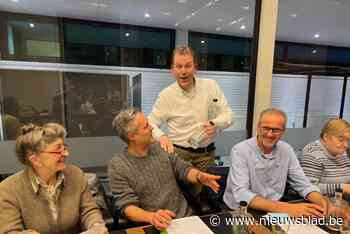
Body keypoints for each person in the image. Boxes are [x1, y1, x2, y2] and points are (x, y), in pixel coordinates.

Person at [108, 108, 221, 230]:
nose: (152, 128)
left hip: (185, 219)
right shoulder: (118, 165)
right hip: (154, 225)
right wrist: (151, 217)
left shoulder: (160, 148)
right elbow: (127, 206)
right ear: (132, 136)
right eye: (146, 126)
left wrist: (199, 176)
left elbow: (183, 169)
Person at [0, 123, 108, 234]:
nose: (66, 153)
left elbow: (88, 210)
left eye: (64, 147)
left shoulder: (75, 174)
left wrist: (96, 225)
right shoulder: (8, 189)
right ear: (35, 160)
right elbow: (9, 230)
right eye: (58, 150)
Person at [223, 108, 328, 218]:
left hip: (274, 208)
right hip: (243, 210)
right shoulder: (240, 150)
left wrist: (322, 202)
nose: (269, 134)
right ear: (258, 127)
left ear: (283, 132)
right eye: (265, 128)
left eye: (276, 130)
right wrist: (287, 208)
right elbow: (241, 194)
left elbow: (303, 184)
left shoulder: (286, 150)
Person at [148, 44, 233, 170]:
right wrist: (161, 136)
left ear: (195, 68)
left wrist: (215, 124)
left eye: (188, 66)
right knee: (179, 189)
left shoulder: (211, 86)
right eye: (179, 66)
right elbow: (150, 123)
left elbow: (228, 115)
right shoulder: (166, 95)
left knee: (207, 189)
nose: (183, 71)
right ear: (172, 69)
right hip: (179, 155)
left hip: (206, 155)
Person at [302, 118, 350, 196]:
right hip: (323, 201)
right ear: (326, 137)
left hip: (341, 199)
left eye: (347, 140)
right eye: (341, 140)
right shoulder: (312, 154)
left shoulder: (341, 152)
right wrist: (342, 188)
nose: (346, 145)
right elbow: (308, 188)